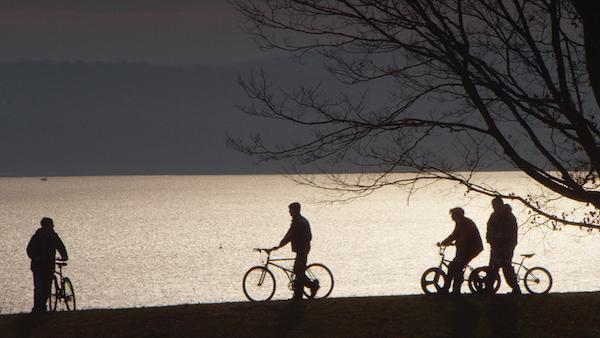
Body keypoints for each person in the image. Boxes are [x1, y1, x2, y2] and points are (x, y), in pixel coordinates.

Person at [272, 202, 319, 300]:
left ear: (295, 210)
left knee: (298, 271)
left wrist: (279, 246)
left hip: (302, 249)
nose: (289, 212)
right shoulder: (299, 221)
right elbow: (290, 234)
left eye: (291, 210)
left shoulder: (299, 222)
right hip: (302, 249)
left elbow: (290, 236)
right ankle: (298, 295)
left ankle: (312, 286)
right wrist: (280, 245)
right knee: (298, 271)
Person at [26, 217, 68, 313]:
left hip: (45, 266)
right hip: (40, 266)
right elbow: (30, 250)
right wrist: (35, 257)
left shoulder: (51, 236)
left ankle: (40, 307)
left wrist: (64, 256)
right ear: (48, 226)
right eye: (51, 224)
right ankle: (38, 307)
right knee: (41, 287)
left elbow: (60, 247)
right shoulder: (38, 237)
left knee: (43, 287)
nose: (53, 226)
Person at [438, 207, 483, 295]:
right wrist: (444, 242)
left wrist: (455, 242)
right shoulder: (459, 223)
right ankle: (446, 289)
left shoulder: (467, 223)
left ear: (458, 215)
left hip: (471, 249)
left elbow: (465, 237)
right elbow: (454, 235)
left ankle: (456, 291)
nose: (452, 217)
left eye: (453, 215)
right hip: (463, 249)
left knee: (457, 267)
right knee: (452, 267)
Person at [485, 197, 521, 294]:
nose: (493, 207)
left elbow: (510, 233)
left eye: (494, 205)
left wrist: (500, 239)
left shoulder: (509, 217)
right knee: (493, 267)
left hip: (506, 246)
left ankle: (515, 288)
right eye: (493, 206)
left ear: (499, 204)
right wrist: (490, 239)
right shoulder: (494, 215)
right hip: (495, 246)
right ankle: (489, 288)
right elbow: (489, 228)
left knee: (506, 267)